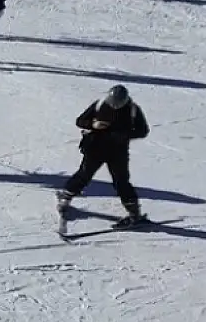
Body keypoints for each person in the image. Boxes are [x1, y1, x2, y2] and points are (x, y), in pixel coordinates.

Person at [59, 85, 150, 226]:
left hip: (118, 152)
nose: (114, 106)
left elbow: (143, 130)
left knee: (121, 181)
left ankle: (134, 212)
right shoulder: (100, 104)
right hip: (96, 148)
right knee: (84, 174)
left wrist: (123, 135)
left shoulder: (133, 110)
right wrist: (94, 125)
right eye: (112, 103)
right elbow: (80, 121)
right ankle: (66, 197)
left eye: (118, 104)